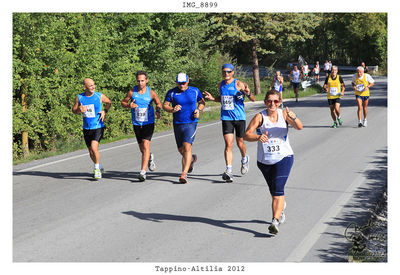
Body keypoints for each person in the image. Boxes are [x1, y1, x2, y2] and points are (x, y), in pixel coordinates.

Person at [244, 90, 303, 235]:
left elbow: (299, 127)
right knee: (274, 191)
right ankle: (281, 207)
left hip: (284, 157)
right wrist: (258, 137)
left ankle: (274, 221)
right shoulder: (260, 117)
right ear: (265, 102)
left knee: (277, 189)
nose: (272, 104)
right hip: (264, 160)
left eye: (276, 101)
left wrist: (293, 117)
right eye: (269, 101)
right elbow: (246, 135)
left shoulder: (284, 114)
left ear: (280, 102)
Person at [203, 64, 255, 182]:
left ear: (232, 73)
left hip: (239, 117)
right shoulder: (220, 85)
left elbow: (253, 99)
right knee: (228, 144)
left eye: (228, 72)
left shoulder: (238, 84)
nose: (226, 74)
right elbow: (221, 98)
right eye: (224, 72)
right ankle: (229, 170)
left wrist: (247, 92)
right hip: (226, 118)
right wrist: (212, 99)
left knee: (240, 143)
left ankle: (244, 159)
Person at [163, 73, 205, 183]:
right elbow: (165, 105)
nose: (182, 85)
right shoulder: (172, 92)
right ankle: (190, 159)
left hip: (191, 123)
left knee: (187, 147)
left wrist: (198, 110)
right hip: (178, 123)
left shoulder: (195, 91)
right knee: (181, 149)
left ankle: (183, 174)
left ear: (188, 81)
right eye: (179, 83)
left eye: (184, 83)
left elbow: (202, 102)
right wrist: (172, 109)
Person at [121, 70, 162, 181]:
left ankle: (143, 172)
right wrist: (129, 105)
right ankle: (149, 157)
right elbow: (123, 103)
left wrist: (158, 111)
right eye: (138, 81)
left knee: (145, 145)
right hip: (137, 123)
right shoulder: (131, 92)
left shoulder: (151, 93)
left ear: (146, 80)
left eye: (142, 81)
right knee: (142, 149)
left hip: (148, 123)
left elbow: (158, 103)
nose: (140, 83)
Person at [72, 78, 112, 180]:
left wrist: (104, 111)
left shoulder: (99, 96)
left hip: (98, 126)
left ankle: (96, 169)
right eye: (90, 86)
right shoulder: (80, 97)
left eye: (94, 85)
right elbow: (74, 110)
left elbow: (109, 102)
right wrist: (79, 110)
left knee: (94, 148)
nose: (93, 87)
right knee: (90, 151)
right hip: (86, 128)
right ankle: (99, 166)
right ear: (84, 87)